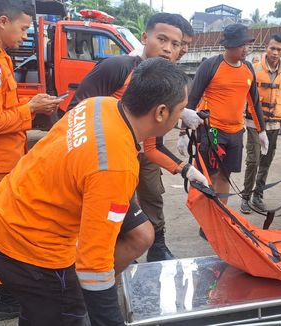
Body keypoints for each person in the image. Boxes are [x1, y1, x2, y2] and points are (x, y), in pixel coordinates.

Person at [0, 57, 189, 325]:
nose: (182, 118)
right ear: (160, 113)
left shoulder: (100, 104)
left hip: (10, 206)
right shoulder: (115, 166)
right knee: (65, 313)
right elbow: (93, 266)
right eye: (181, 111)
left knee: (141, 233)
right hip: (31, 249)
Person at [67, 13, 206, 264]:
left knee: (152, 194)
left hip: (139, 151)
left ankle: (155, 246)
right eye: (161, 39)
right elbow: (74, 112)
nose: (167, 49)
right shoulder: (117, 68)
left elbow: (153, 145)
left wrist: (186, 169)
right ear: (145, 37)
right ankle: (108, 258)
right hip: (105, 159)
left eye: (175, 45)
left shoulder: (167, 82)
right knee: (108, 212)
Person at [0, 0, 62, 320]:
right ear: (3, 21)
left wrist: (30, 104)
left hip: (7, 159)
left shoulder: (3, 59)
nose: (26, 36)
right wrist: (31, 109)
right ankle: (4, 294)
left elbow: (5, 106)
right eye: (23, 29)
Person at [177, 23, 268, 205]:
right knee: (208, 174)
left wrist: (261, 131)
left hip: (236, 133)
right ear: (229, 46)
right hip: (213, 131)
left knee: (226, 175)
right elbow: (192, 99)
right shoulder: (211, 66)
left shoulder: (248, 68)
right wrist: (183, 132)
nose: (246, 49)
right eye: (242, 45)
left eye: (246, 45)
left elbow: (254, 102)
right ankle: (204, 216)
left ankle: (222, 216)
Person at [240, 33, 281, 213]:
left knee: (266, 162)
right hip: (254, 124)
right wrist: (240, 121)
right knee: (253, 161)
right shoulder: (253, 70)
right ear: (266, 48)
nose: (275, 52)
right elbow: (244, 97)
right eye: (272, 48)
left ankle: (257, 196)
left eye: (279, 49)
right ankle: (245, 197)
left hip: (274, 126)